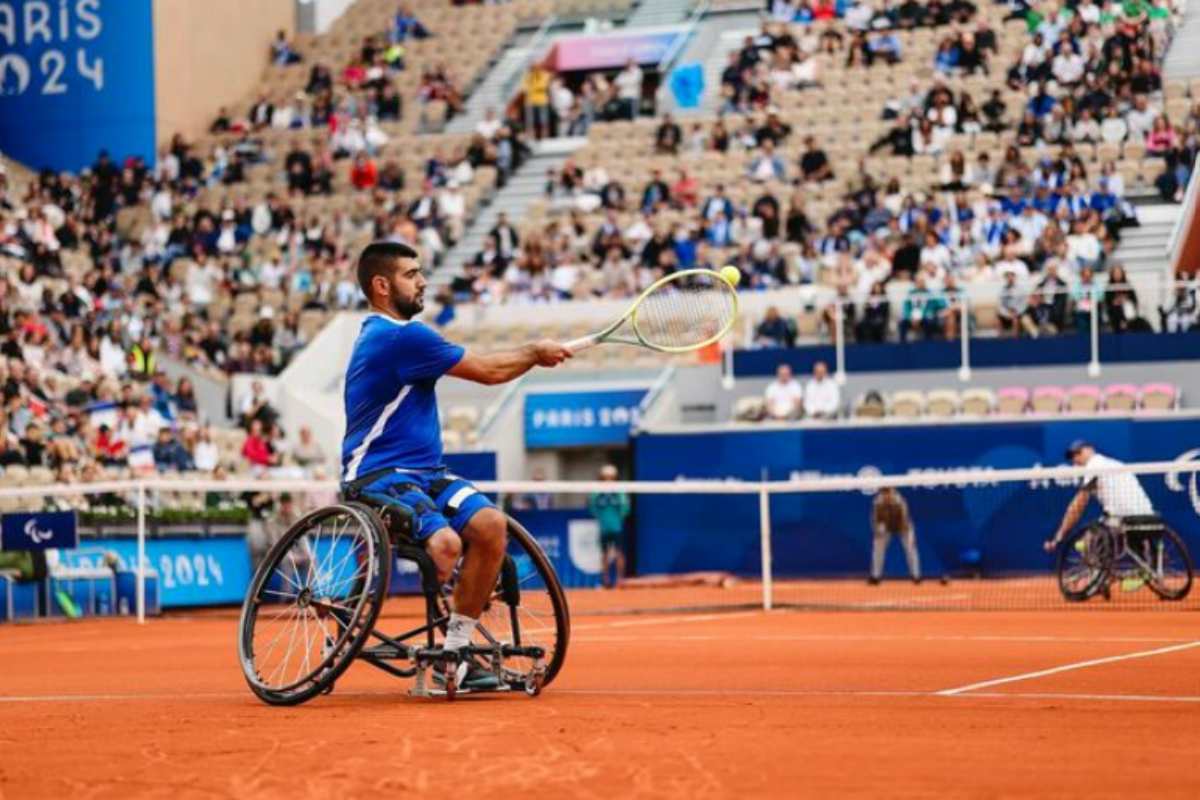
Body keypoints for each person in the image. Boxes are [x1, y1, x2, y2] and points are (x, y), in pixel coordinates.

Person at [341, 242, 571, 690]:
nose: (423, 281)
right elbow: (488, 371)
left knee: (490, 526)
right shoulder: (399, 336)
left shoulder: (401, 336)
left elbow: (488, 366)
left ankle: (455, 652)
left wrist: (531, 354)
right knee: (445, 544)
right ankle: (450, 634)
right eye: (412, 274)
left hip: (429, 475)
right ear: (382, 286)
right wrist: (535, 352)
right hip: (376, 476)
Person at [1043, 441, 1157, 555]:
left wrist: (1059, 536)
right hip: (1147, 514)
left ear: (1090, 450)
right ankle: (1146, 564)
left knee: (1088, 540)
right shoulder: (1116, 464)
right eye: (1072, 457)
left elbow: (1078, 505)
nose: (1075, 459)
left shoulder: (1094, 465)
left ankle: (1096, 567)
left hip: (1124, 519)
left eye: (1078, 453)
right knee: (1102, 527)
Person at [588, 464, 630, 589]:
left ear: (615, 477)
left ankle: (620, 580)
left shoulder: (620, 491)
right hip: (604, 528)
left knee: (619, 553)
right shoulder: (596, 492)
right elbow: (592, 507)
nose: (608, 479)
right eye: (605, 476)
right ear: (601, 477)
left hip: (617, 528)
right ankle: (605, 581)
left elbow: (625, 508)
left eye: (611, 477)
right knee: (604, 554)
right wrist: (602, 519)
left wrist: (618, 520)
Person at [868, 486, 921, 585]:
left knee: (911, 549)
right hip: (886, 527)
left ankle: (916, 576)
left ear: (892, 492)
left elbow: (904, 519)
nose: (887, 495)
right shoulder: (877, 502)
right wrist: (878, 531)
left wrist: (902, 531)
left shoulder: (900, 501)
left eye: (889, 492)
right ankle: (875, 576)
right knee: (877, 548)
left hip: (903, 527)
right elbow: (874, 519)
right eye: (884, 493)